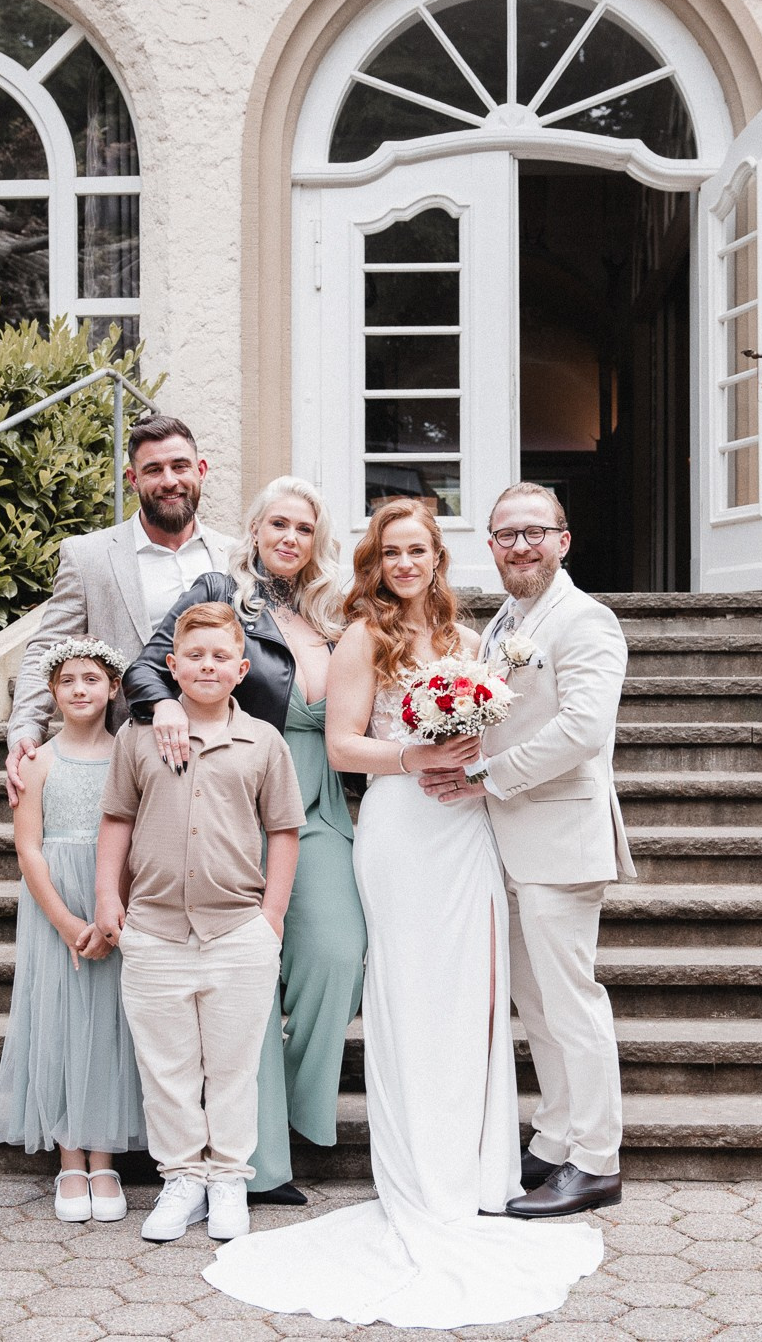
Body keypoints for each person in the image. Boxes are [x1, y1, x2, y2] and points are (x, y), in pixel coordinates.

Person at [203, 500, 603, 1329]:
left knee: (473, 1000)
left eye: (420, 549)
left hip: (469, 829)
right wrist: (415, 756)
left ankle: (480, 1172)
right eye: (392, 552)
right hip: (399, 828)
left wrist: (474, 760)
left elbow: (507, 728)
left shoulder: (471, 639)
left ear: (439, 557)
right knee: (412, 998)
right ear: (375, 562)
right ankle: (423, 1177)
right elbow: (345, 745)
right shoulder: (361, 637)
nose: (407, 563)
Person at [122, 476, 363, 1208]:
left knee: (334, 953)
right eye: (278, 523)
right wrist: (163, 703)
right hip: (235, 800)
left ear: (318, 541)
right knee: (245, 972)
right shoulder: (220, 589)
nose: (290, 537)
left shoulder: (335, 611)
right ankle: (258, 1164)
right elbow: (144, 663)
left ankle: (282, 1111)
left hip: (320, 802)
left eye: (304, 528)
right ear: (255, 529)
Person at [419, 482, 635, 1218]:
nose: (519, 546)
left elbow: (581, 731)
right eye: (506, 534)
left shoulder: (586, 621)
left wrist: (484, 775)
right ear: (490, 545)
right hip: (510, 841)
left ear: (563, 540)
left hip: (562, 838)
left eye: (534, 532)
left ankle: (598, 1158)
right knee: (537, 1003)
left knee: (573, 1004)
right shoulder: (506, 621)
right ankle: (554, 1136)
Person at [93, 603, 305, 1244]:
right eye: (195, 656)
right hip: (155, 930)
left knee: (233, 1066)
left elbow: (284, 831)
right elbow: (116, 822)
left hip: (238, 931)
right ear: (171, 665)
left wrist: (271, 918)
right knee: (168, 1067)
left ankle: (230, 1179)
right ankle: (183, 1178)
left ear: (241, 670)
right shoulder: (138, 737)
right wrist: (108, 897)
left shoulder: (264, 742)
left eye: (220, 657)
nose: (207, 666)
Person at [0, 637, 147, 1222]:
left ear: (113, 689)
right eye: (67, 682)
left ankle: (103, 1157)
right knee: (58, 1021)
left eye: (91, 679)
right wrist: (64, 921)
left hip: (111, 901)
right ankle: (69, 1159)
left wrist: (109, 919)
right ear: (52, 693)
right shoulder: (37, 760)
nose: (80, 690)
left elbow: (135, 840)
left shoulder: (127, 755)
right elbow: (28, 849)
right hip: (55, 904)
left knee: (107, 1024)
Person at [4, 413, 235, 807]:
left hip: (222, 755)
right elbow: (47, 648)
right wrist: (26, 726)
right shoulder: (89, 556)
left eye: (180, 466)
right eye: (153, 469)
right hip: (124, 755)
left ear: (200, 470)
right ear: (132, 480)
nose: (169, 480)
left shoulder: (235, 555)